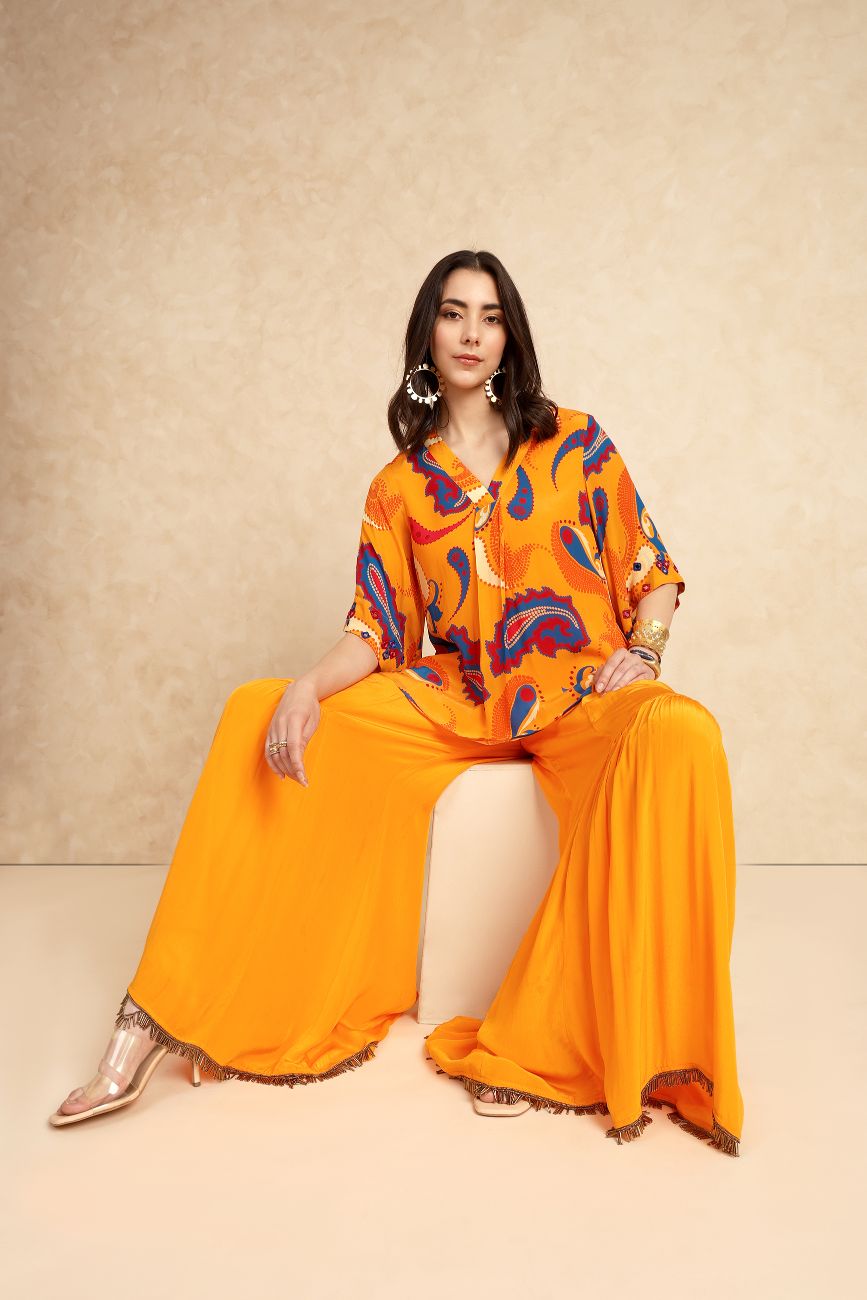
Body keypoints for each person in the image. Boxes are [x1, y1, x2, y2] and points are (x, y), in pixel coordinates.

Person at [49, 249, 743, 1156]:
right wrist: (305, 686)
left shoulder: (576, 443)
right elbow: (374, 630)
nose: (471, 333)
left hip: (578, 695)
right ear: (427, 333)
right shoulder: (399, 487)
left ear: (510, 336)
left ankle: (582, 1041)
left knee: (681, 731)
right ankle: (154, 1023)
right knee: (254, 707)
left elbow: (652, 572)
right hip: (454, 701)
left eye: (490, 316)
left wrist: (643, 654)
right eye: (453, 314)